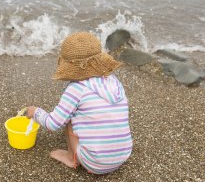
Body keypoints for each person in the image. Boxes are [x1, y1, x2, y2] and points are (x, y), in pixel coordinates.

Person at [26, 32, 132, 174]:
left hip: (95, 163)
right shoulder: (113, 81)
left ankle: (71, 158)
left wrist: (35, 112)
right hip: (123, 155)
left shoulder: (76, 89)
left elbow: (53, 123)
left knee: (69, 115)